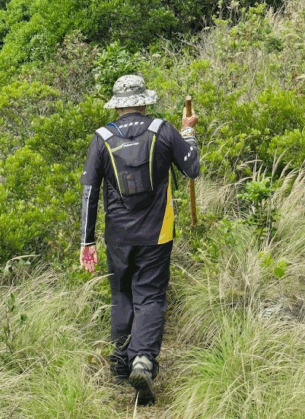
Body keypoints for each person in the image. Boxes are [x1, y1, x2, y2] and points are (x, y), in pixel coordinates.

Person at [79, 74, 200, 404]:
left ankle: (121, 363)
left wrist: (87, 242)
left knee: (121, 294)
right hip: (157, 232)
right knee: (150, 296)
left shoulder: (102, 138)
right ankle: (142, 360)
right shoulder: (163, 130)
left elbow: (89, 191)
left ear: (117, 106)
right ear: (144, 102)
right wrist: (188, 132)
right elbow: (192, 168)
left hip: (118, 236)